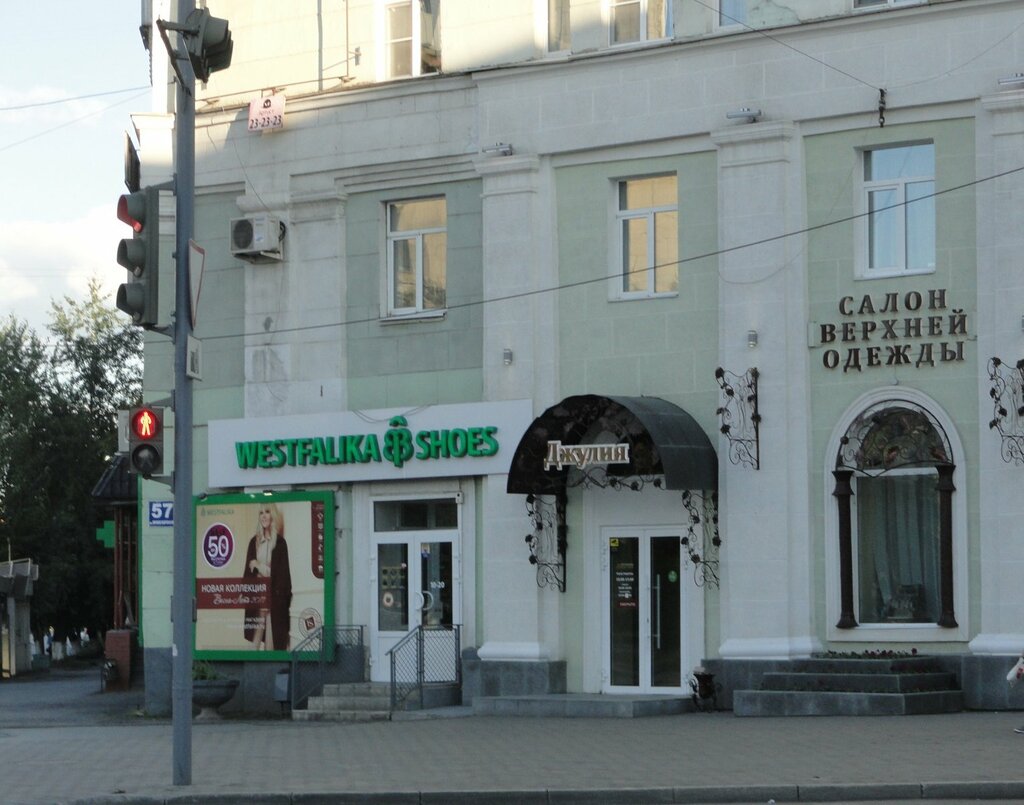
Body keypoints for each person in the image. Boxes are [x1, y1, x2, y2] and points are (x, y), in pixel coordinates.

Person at [243, 502, 292, 651]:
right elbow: (248, 571)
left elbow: (280, 575)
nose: (264, 516)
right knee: (255, 639)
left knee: (272, 642)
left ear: (273, 515)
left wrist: (258, 565)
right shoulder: (254, 542)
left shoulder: (280, 543)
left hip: (274, 598)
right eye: (261, 513)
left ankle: (270, 662)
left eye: (267, 512)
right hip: (257, 595)